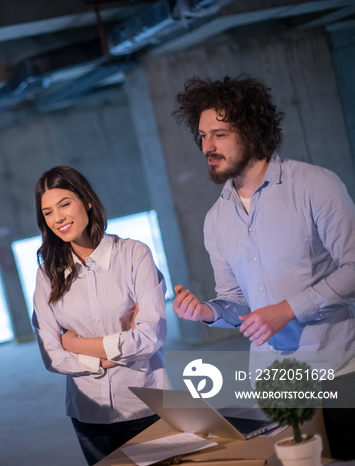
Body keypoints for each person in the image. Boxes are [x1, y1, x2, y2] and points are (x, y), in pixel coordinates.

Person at [171, 75, 355, 460]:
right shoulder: (216, 219)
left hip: (337, 371)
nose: (207, 146)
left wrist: (287, 310)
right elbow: (236, 301)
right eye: (202, 137)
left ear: (252, 132)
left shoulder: (315, 185)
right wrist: (208, 312)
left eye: (219, 134)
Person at [31, 166, 167, 465]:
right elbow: (52, 356)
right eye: (48, 212)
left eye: (65, 204)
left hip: (148, 407)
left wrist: (77, 345)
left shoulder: (133, 255)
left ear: (87, 201)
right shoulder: (47, 274)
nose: (59, 218)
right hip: (88, 416)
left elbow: (150, 338)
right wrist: (116, 351)